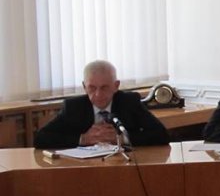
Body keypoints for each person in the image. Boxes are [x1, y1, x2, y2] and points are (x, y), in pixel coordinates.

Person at [34, 60, 169, 149]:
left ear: (116, 86)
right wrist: (83, 139)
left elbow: (162, 134)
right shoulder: (74, 107)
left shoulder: (129, 102)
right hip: (85, 169)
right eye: (92, 88)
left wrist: (122, 139)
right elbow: (41, 138)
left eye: (104, 88)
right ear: (84, 87)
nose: (98, 94)